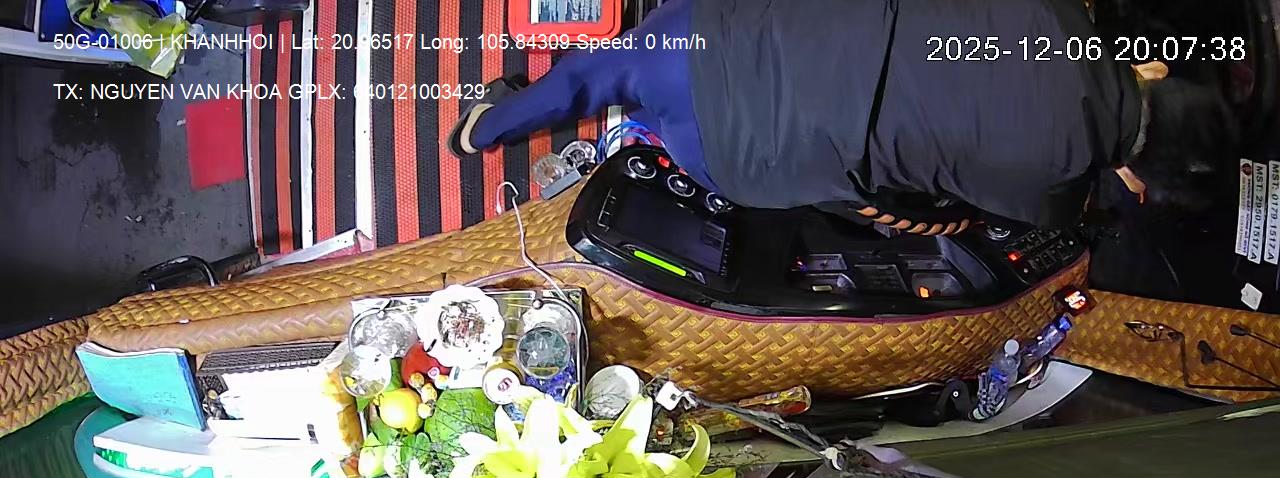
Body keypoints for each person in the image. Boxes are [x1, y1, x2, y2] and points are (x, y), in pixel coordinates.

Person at [450, 0, 1235, 229]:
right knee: (850, 185)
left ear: (1154, 70)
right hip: (740, 160)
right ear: (1136, 178)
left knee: (621, 64)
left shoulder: (1055, 15)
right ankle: (645, 133)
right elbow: (940, 206)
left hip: (719, 36)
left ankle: (490, 124)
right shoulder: (1053, 197)